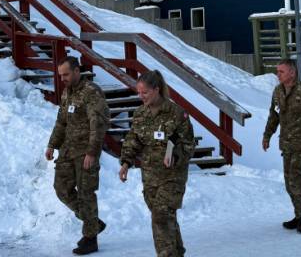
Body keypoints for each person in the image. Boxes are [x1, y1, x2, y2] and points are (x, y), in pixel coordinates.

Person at [119, 70, 195, 257]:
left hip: (172, 176)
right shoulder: (140, 114)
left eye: (144, 92)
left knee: (160, 216)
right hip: (150, 176)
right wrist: (126, 162)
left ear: (156, 90)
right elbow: (133, 139)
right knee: (165, 217)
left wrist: (175, 155)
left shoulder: (176, 113)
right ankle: (177, 251)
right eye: (139, 92)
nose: (140, 96)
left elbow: (188, 144)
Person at [45, 56, 111, 255]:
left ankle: (90, 238)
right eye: (60, 75)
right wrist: (52, 145)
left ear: (76, 71)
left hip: (85, 153)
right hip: (67, 150)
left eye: (65, 74)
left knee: (85, 194)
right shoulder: (67, 93)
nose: (62, 78)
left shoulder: (91, 92)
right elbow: (61, 122)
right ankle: (93, 222)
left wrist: (92, 152)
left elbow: (98, 124)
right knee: (61, 189)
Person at [262, 60, 301, 234]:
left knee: (297, 180)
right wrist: (267, 135)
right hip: (287, 144)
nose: (278, 74)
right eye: (277, 71)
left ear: (292, 73)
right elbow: (273, 116)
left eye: (281, 71)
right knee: (289, 183)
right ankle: (298, 214)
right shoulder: (278, 92)